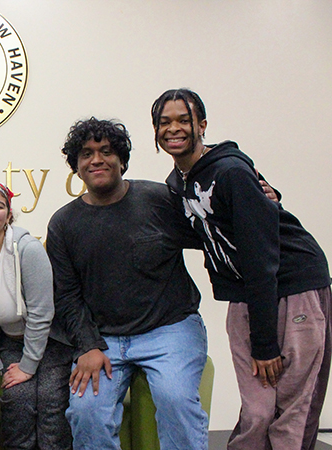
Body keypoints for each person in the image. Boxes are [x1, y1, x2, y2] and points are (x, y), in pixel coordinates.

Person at [152, 88, 331, 450]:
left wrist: (265, 345)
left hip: (294, 287)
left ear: (202, 125)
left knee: (292, 411)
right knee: (258, 412)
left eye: (183, 120)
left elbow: (261, 263)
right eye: (164, 122)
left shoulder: (230, 171)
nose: (174, 128)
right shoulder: (179, 184)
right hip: (247, 296)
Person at [46, 118, 209, 450]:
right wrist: (88, 345)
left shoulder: (160, 200)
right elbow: (67, 296)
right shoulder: (63, 223)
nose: (96, 160)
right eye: (87, 154)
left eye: (106, 151)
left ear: (122, 160)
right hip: (103, 340)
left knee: (176, 400)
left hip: (170, 328)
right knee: (86, 411)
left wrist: (261, 200)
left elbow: (213, 231)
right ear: (76, 167)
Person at [0, 181, 73, 450]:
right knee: (17, 399)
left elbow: (42, 313)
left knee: (49, 402)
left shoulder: (27, 249)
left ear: (9, 215)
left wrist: (28, 365)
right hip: (10, 342)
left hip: (51, 343)